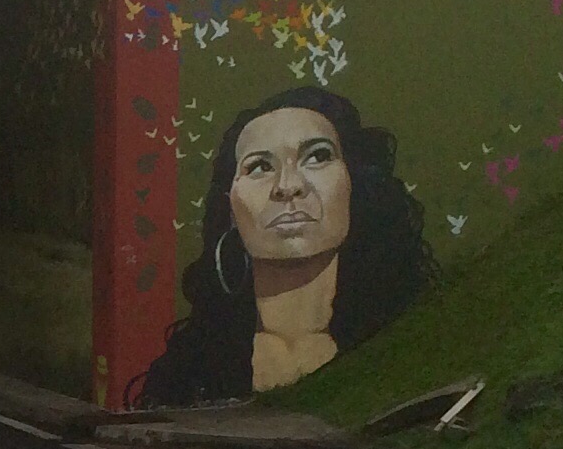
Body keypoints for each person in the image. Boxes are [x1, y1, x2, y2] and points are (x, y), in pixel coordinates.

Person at [131, 85, 435, 407]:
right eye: (259, 166)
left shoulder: (411, 343)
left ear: (356, 186)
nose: (288, 186)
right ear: (230, 206)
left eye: (317, 156)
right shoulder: (191, 369)